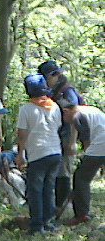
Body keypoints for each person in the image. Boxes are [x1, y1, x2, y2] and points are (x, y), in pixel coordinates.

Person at [17, 73, 62, 234]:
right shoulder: (54, 106)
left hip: (38, 153)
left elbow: (22, 134)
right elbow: (57, 127)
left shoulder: (26, 109)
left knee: (35, 190)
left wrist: (20, 154)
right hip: (55, 152)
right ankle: (48, 222)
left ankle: (36, 226)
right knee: (49, 189)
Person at [40, 61, 83, 210]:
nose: (45, 82)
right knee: (57, 170)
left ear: (55, 76)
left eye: (47, 78)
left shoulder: (66, 92)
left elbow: (74, 116)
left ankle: (63, 206)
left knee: (64, 170)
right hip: (56, 135)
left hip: (67, 135)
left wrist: (72, 141)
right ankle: (57, 204)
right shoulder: (52, 92)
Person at [61, 103, 105, 226]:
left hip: (100, 143)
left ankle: (81, 215)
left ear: (66, 111)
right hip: (101, 142)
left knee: (81, 178)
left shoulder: (77, 116)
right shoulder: (88, 110)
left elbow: (86, 140)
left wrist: (87, 156)